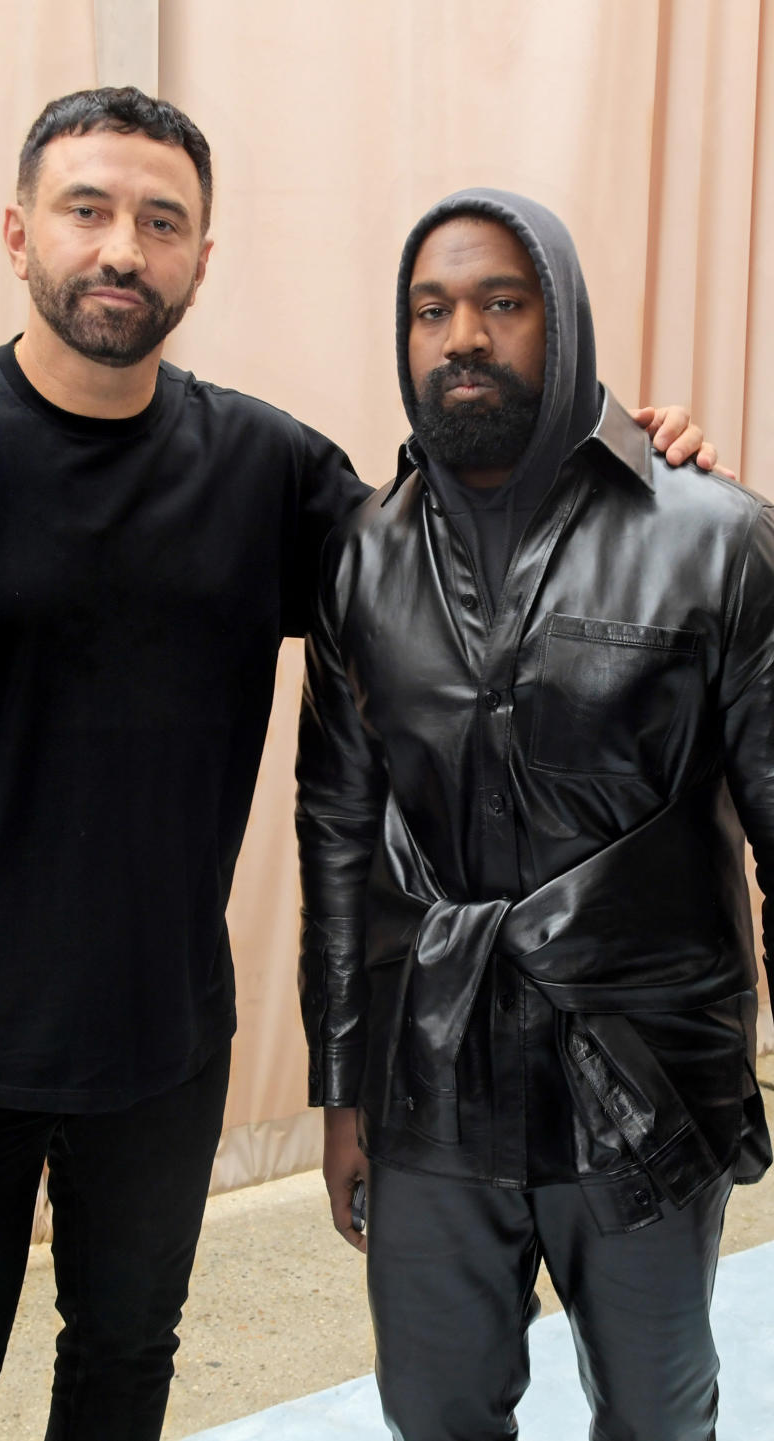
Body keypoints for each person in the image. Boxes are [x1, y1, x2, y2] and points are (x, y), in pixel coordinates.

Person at [0, 84, 716, 1439]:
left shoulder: (271, 471)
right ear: (18, 233)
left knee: (127, 1358)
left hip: (165, 1038)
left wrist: (627, 476)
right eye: (88, 210)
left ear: (201, 258)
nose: (123, 246)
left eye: (160, 220)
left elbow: (460, 568)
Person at [296, 188, 773, 1441]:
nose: (462, 335)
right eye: (431, 309)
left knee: (658, 1416)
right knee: (436, 1411)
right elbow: (337, 833)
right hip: (428, 1073)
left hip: (646, 1072)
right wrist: (343, 1093)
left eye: (502, 303)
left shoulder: (717, 540)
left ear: (562, 323)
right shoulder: (362, 556)